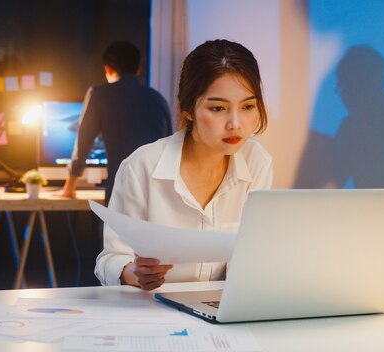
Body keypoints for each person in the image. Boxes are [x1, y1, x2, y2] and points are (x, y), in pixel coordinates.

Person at [95, 39, 273, 291]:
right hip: (153, 311)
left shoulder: (257, 162)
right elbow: (110, 258)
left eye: (247, 106)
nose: (236, 123)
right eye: (218, 108)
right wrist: (133, 272)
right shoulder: (142, 166)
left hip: (223, 310)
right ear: (187, 108)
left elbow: (252, 255)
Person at [61, 41, 172, 203]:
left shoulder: (99, 95)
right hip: (157, 196)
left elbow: (83, 145)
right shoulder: (158, 98)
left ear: (108, 69)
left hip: (121, 192)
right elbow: (170, 149)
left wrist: (69, 189)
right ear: (138, 69)